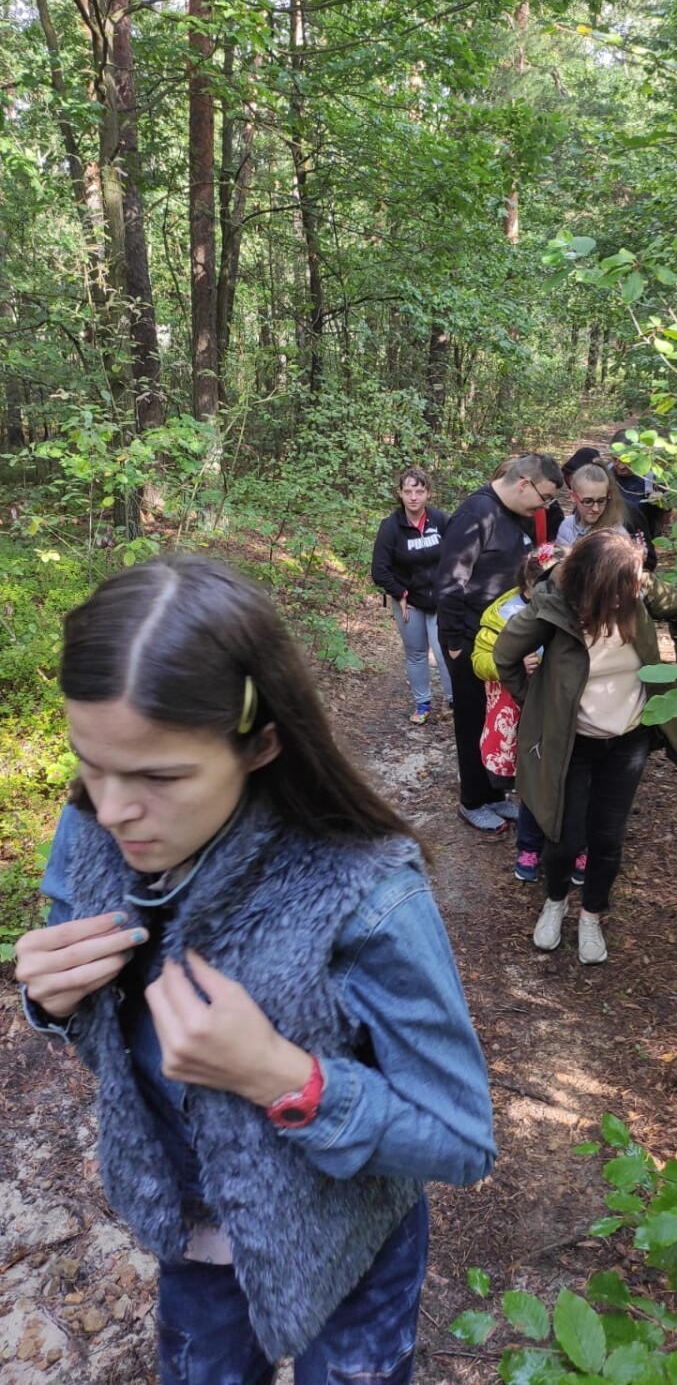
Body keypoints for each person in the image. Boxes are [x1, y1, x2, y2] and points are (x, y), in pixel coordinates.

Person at [14, 555, 495, 1385]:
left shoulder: (363, 894)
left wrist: (286, 1078)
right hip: (193, 1240)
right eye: (90, 763)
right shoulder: (92, 825)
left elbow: (461, 1139)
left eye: (160, 776)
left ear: (261, 742)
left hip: (349, 1249)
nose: (115, 807)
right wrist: (50, 1004)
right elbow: (99, 1039)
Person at [493, 530, 677, 965]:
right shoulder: (553, 605)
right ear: (596, 584)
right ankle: (555, 902)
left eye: (636, 584)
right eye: (625, 587)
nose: (633, 593)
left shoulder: (638, 590)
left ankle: (591, 914)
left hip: (628, 741)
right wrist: (536, 702)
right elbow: (505, 656)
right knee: (564, 837)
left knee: (606, 838)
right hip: (574, 744)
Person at [436, 453, 564, 836]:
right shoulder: (476, 514)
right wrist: (457, 643)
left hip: (506, 634)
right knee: (472, 719)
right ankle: (471, 801)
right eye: (545, 497)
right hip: (474, 641)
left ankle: (493, 793)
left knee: (497, 718)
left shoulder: (517, 516)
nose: (545, 507)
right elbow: (449, 581)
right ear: (524, 482)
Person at [471, 544, 562, 882]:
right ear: (529, 586)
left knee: (560, 776)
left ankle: (568, 844)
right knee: (529, 780)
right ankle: (529, 846)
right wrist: (507, 663)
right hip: (519, 710)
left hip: (558, 709)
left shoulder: (570, 608)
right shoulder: (502, 614)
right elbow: (478, 661)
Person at [371, 465, 452, 724]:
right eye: (408, 491)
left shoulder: (440, 520)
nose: (414, 497)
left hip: (440, 600)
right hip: (409, 603)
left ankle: (453, 702)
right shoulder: (391, 527)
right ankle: (422, 704)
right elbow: (379, 570)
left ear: (428, 493)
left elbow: (458, 554)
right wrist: (399, 592)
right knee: (416, 653)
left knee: (443, 651)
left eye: (419, 491)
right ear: (400, 494)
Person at [557, 459, 658, 571]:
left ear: (608, 495)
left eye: (601, 501)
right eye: (587, 501)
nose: (595, 508)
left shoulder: (617, 534)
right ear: (573, 497)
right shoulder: (566, 527)